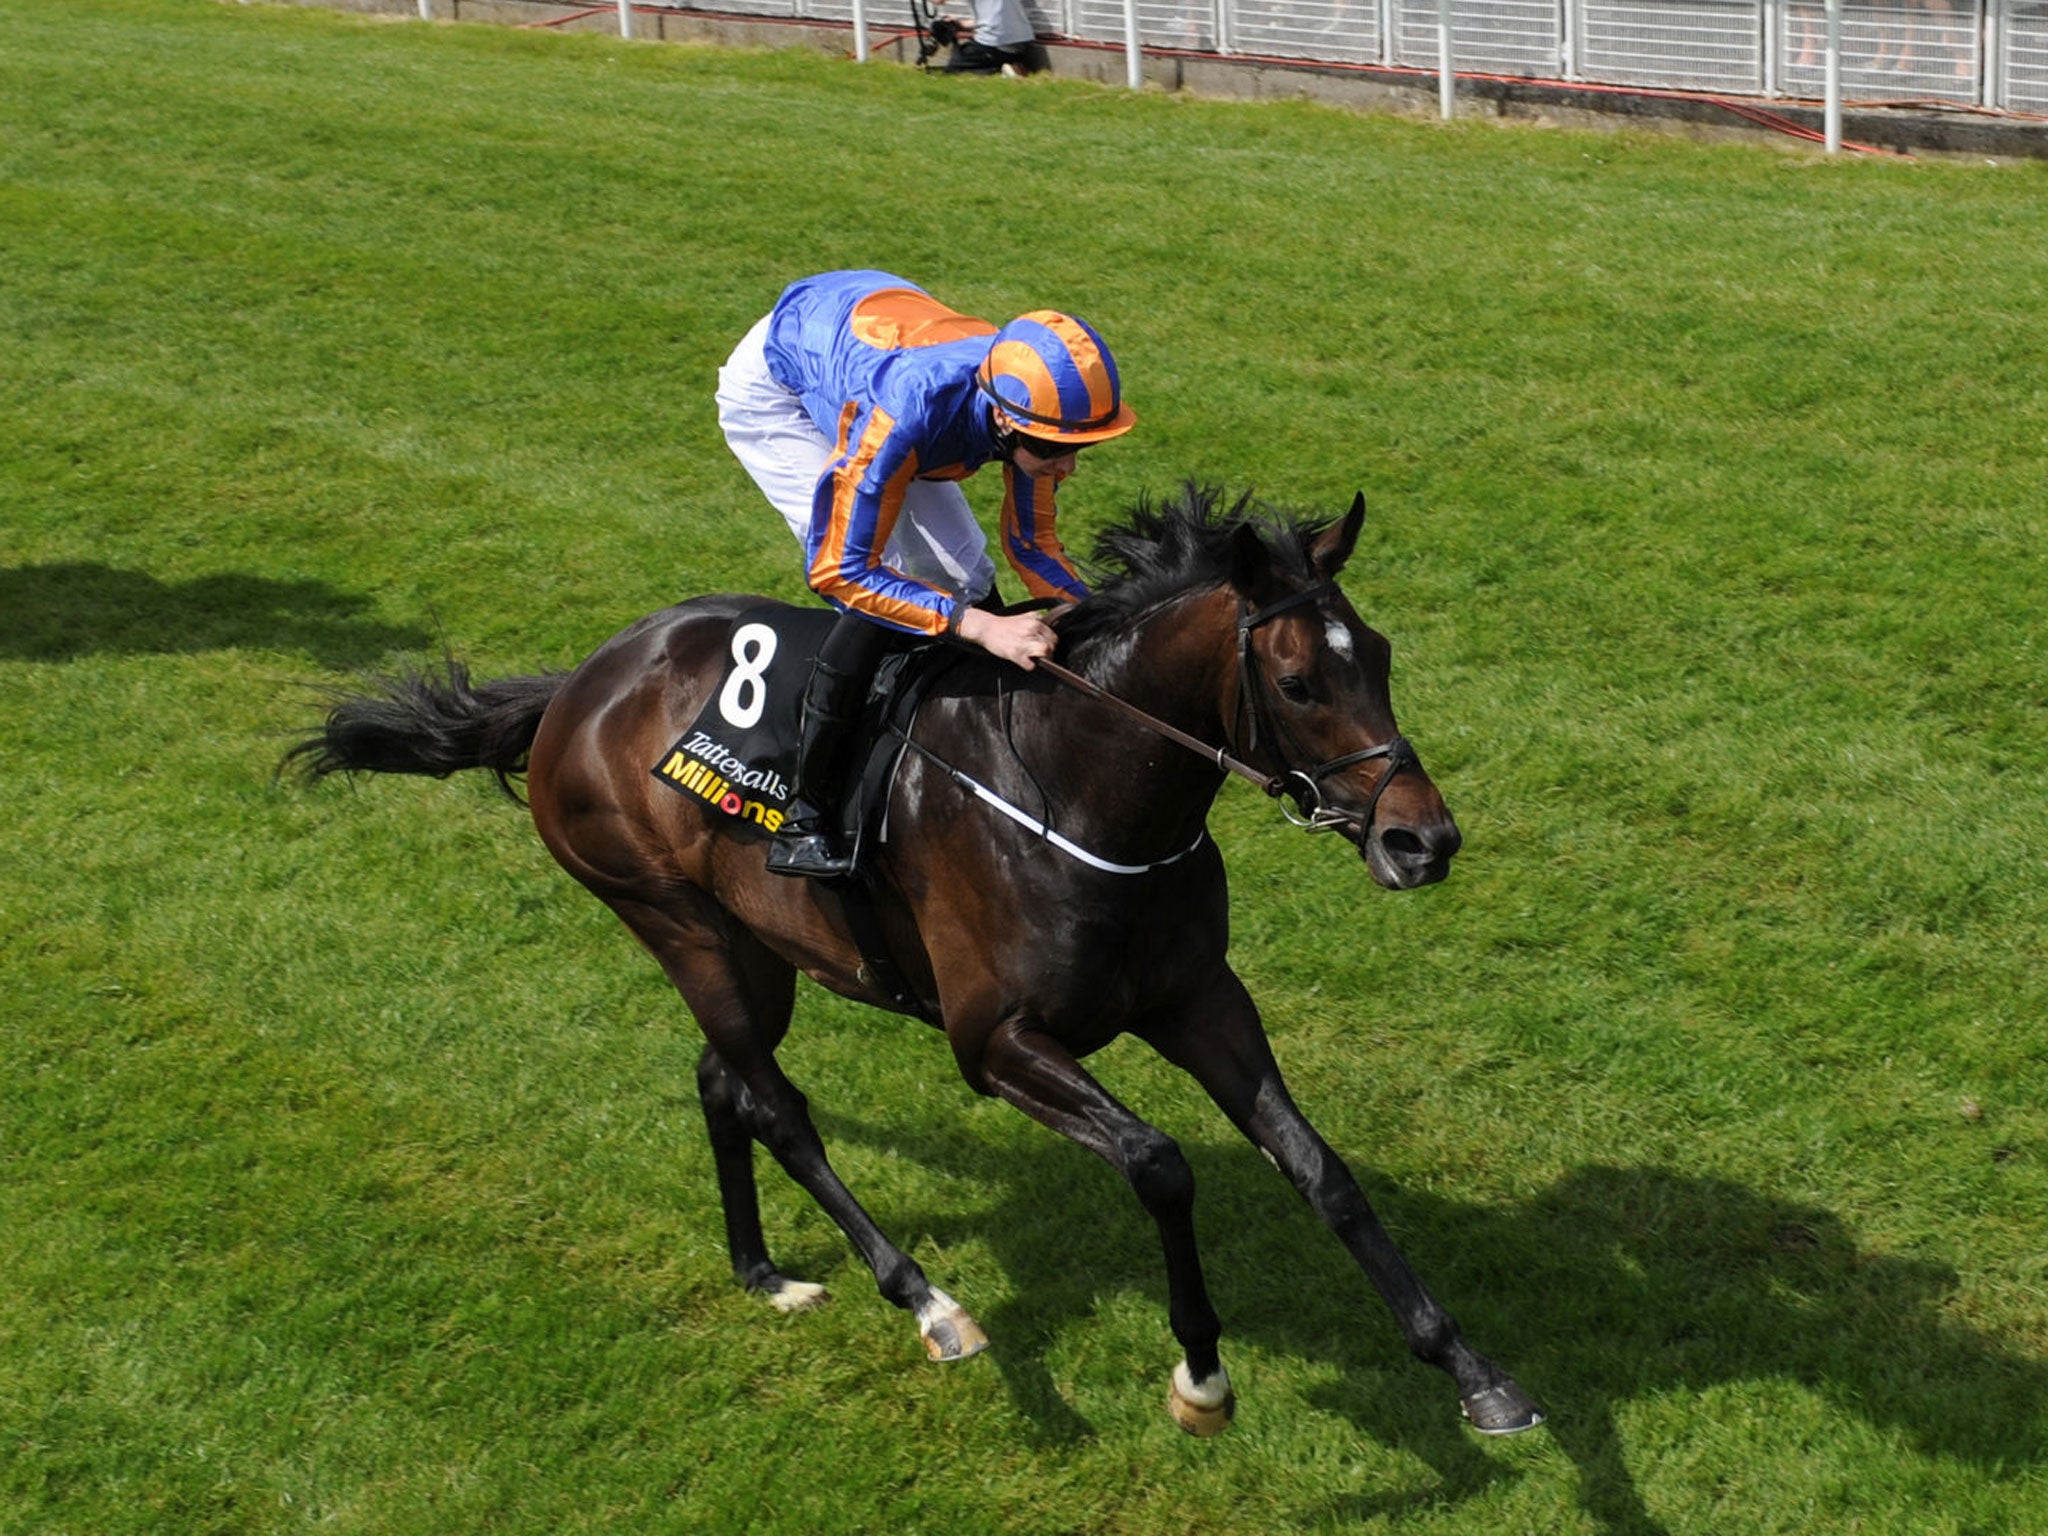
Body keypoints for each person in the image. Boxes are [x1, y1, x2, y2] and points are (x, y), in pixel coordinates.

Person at [715, 269, 1137, 878]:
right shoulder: (910, 415)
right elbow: (839, 571)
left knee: (964, 571)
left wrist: (1101, 618)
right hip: (784, 393)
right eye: (1051, 448)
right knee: (883, 584)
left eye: (1082, 448)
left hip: (876, 343)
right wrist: (982, 628)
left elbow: (1032, 542)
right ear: (1003, 420)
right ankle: (805, 815)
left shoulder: (1027, 405)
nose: (1066, 464)